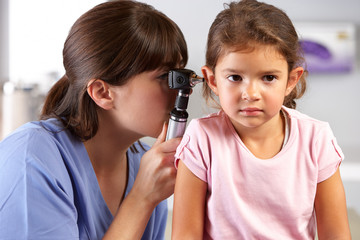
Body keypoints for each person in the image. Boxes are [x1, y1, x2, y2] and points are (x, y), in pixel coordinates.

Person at [0, 1, 188, 239]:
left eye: (180, 73)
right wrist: (141, 199)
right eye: (165, 76)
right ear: (102, 92)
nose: (182, 90)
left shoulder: (148, 168)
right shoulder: (31, 159)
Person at [172, 0, 351, 239]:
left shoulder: (316, 140)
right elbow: (185, 235)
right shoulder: (201, 138)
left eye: (268, 77)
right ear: (213, 80)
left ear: (291, 80)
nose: (251, 94)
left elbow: (336, 235)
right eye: (235, 77)